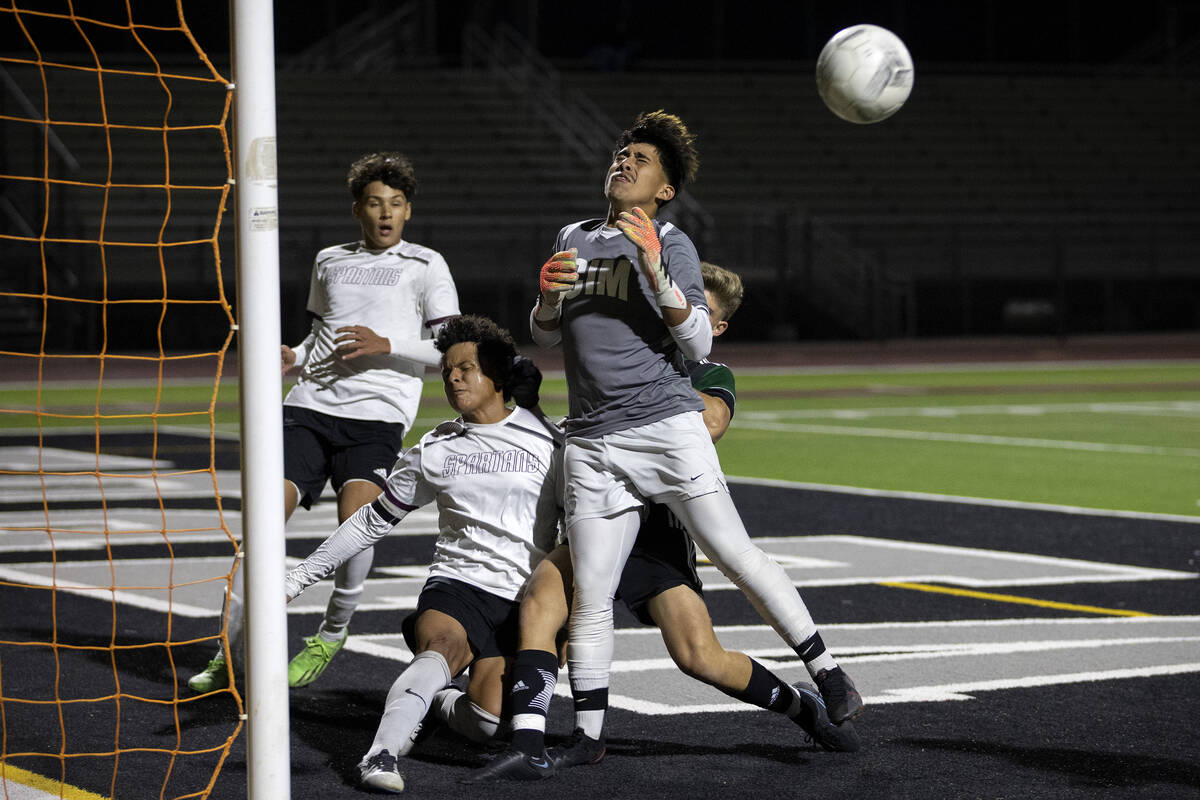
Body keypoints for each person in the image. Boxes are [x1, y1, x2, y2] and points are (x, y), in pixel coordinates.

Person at [471, 111, 863, 779]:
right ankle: (587, 734)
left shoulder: (673, 240)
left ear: (664, 190)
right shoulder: (572, 236)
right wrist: (543, 302)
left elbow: (700, 344)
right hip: (593, 439)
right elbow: (544, 335)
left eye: (642, 159)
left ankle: (826, 674)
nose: (625, 161)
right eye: (623, 151)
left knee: (732, 552)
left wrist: (653, 266)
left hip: (663, 428)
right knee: (592, 595)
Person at [188, 152, 461, 693]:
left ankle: (331, 633)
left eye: (397, 204)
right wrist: (295, 352)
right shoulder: (329, 259)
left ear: (408, 211)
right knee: (259, 530)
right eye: (376, 204)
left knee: (355, 530)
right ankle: (232, 649)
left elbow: (452, 345)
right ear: (358, 209)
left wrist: (388, 345)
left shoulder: (427, 265)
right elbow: (323, 331)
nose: (387, 214)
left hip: (377, 419)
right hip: (307, 407)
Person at [283, 315, 562, 793]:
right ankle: (379, 755)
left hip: (526, 598)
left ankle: (436, 704)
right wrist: (299, 577)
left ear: (496, 376)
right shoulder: (434, 448)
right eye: (447, 370)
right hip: (458, 585)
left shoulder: (550, 441)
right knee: (443, 649)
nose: (452, 377)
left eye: (466, 368)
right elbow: (372, 521)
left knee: (489, 724)